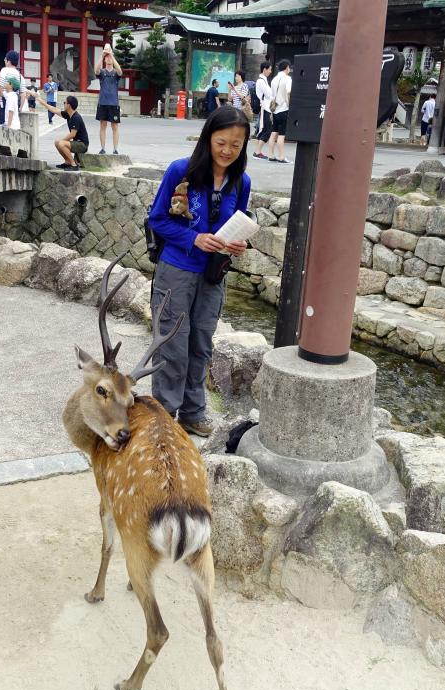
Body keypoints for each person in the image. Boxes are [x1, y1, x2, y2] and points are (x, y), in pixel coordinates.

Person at [147, 106, 251, 437]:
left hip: (212, 276)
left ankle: (193, 411)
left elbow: (238, 222)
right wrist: (194, 238)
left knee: (201, 344)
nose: (227, 150)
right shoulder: (182, 171)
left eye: (236, 144)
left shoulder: (241, 181)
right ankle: (162, 416)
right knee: (172, 344)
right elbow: (157, 220)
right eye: (222, 142)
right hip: (176, 271)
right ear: (208, 138)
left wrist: (237, 244)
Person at [31, 91, 87, 171]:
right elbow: (54, 110)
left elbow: (72, 135)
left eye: (65, 102)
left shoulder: (76, 117)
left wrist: (62, 141)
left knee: (61, 143)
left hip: (82, 144)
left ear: (69, 105)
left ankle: (73, 164)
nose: (63, 104)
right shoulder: (68, 114)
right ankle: (67, 162)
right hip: (77, 142)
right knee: (57, 142)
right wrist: (42, 102)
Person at [96, 45, 122, 154]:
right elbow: (96, 70)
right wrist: (102, 56)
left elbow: (120, 71)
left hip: (113, 103)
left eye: (109, 56)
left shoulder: (115, 73)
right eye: (107, 57)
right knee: (103, 125)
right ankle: (102, 148)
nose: (108, 58)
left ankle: (115, 149)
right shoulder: (102, 72)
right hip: (102, 102)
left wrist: (112, 55)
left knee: (115, 125)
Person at [266, 59, 291, 163]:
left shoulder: (274, 79)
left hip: (274, 109)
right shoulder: (287, 78)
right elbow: (289, 91)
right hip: (284, 108)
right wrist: (289, 103)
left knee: (273, 133)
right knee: (281, 134)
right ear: (287, 68)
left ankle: (271, 155)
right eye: (289, 67)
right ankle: (281, 156)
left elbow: (272, 95)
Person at [252, 61, 273, 160]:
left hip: (266, 108)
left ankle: (258, 151)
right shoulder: (261, 81)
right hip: (264, 108)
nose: (270, 71)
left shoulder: (263, 80)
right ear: (264, 69)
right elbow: (269, 94)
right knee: (267, 130)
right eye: (269, 69)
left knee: (264, 129)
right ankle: (257, 152)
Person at [0, 50, 22, 129]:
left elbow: (0, 87)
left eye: (5, 59)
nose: (4, 60)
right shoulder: (17, 73)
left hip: (5, 98)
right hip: (13, 96)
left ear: (9, 61)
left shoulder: (4, 70)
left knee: (3, 122)